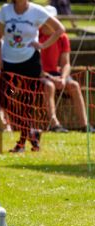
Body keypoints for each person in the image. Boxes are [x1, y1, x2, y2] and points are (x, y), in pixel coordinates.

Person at [0, 0, 65, 152]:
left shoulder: (37, 10)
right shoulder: (5, 10)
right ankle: (32, 134)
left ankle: (21, 143)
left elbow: (60, 29)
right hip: (8, 62)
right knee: (6, 101)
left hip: (30, 62)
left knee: (26, 104)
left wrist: (42, 46)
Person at [40, 5, 95, 133]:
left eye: (51, 19)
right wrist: (50, 77)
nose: (48, 22)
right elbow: (35, 65)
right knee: (49, 86)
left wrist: (63, 78)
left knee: (74, 85)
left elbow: (66, 63)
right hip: (40, 75)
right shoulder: (36, 35)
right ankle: (55, 125)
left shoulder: (63, 37)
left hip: (57, 74)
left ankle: (84, 126)